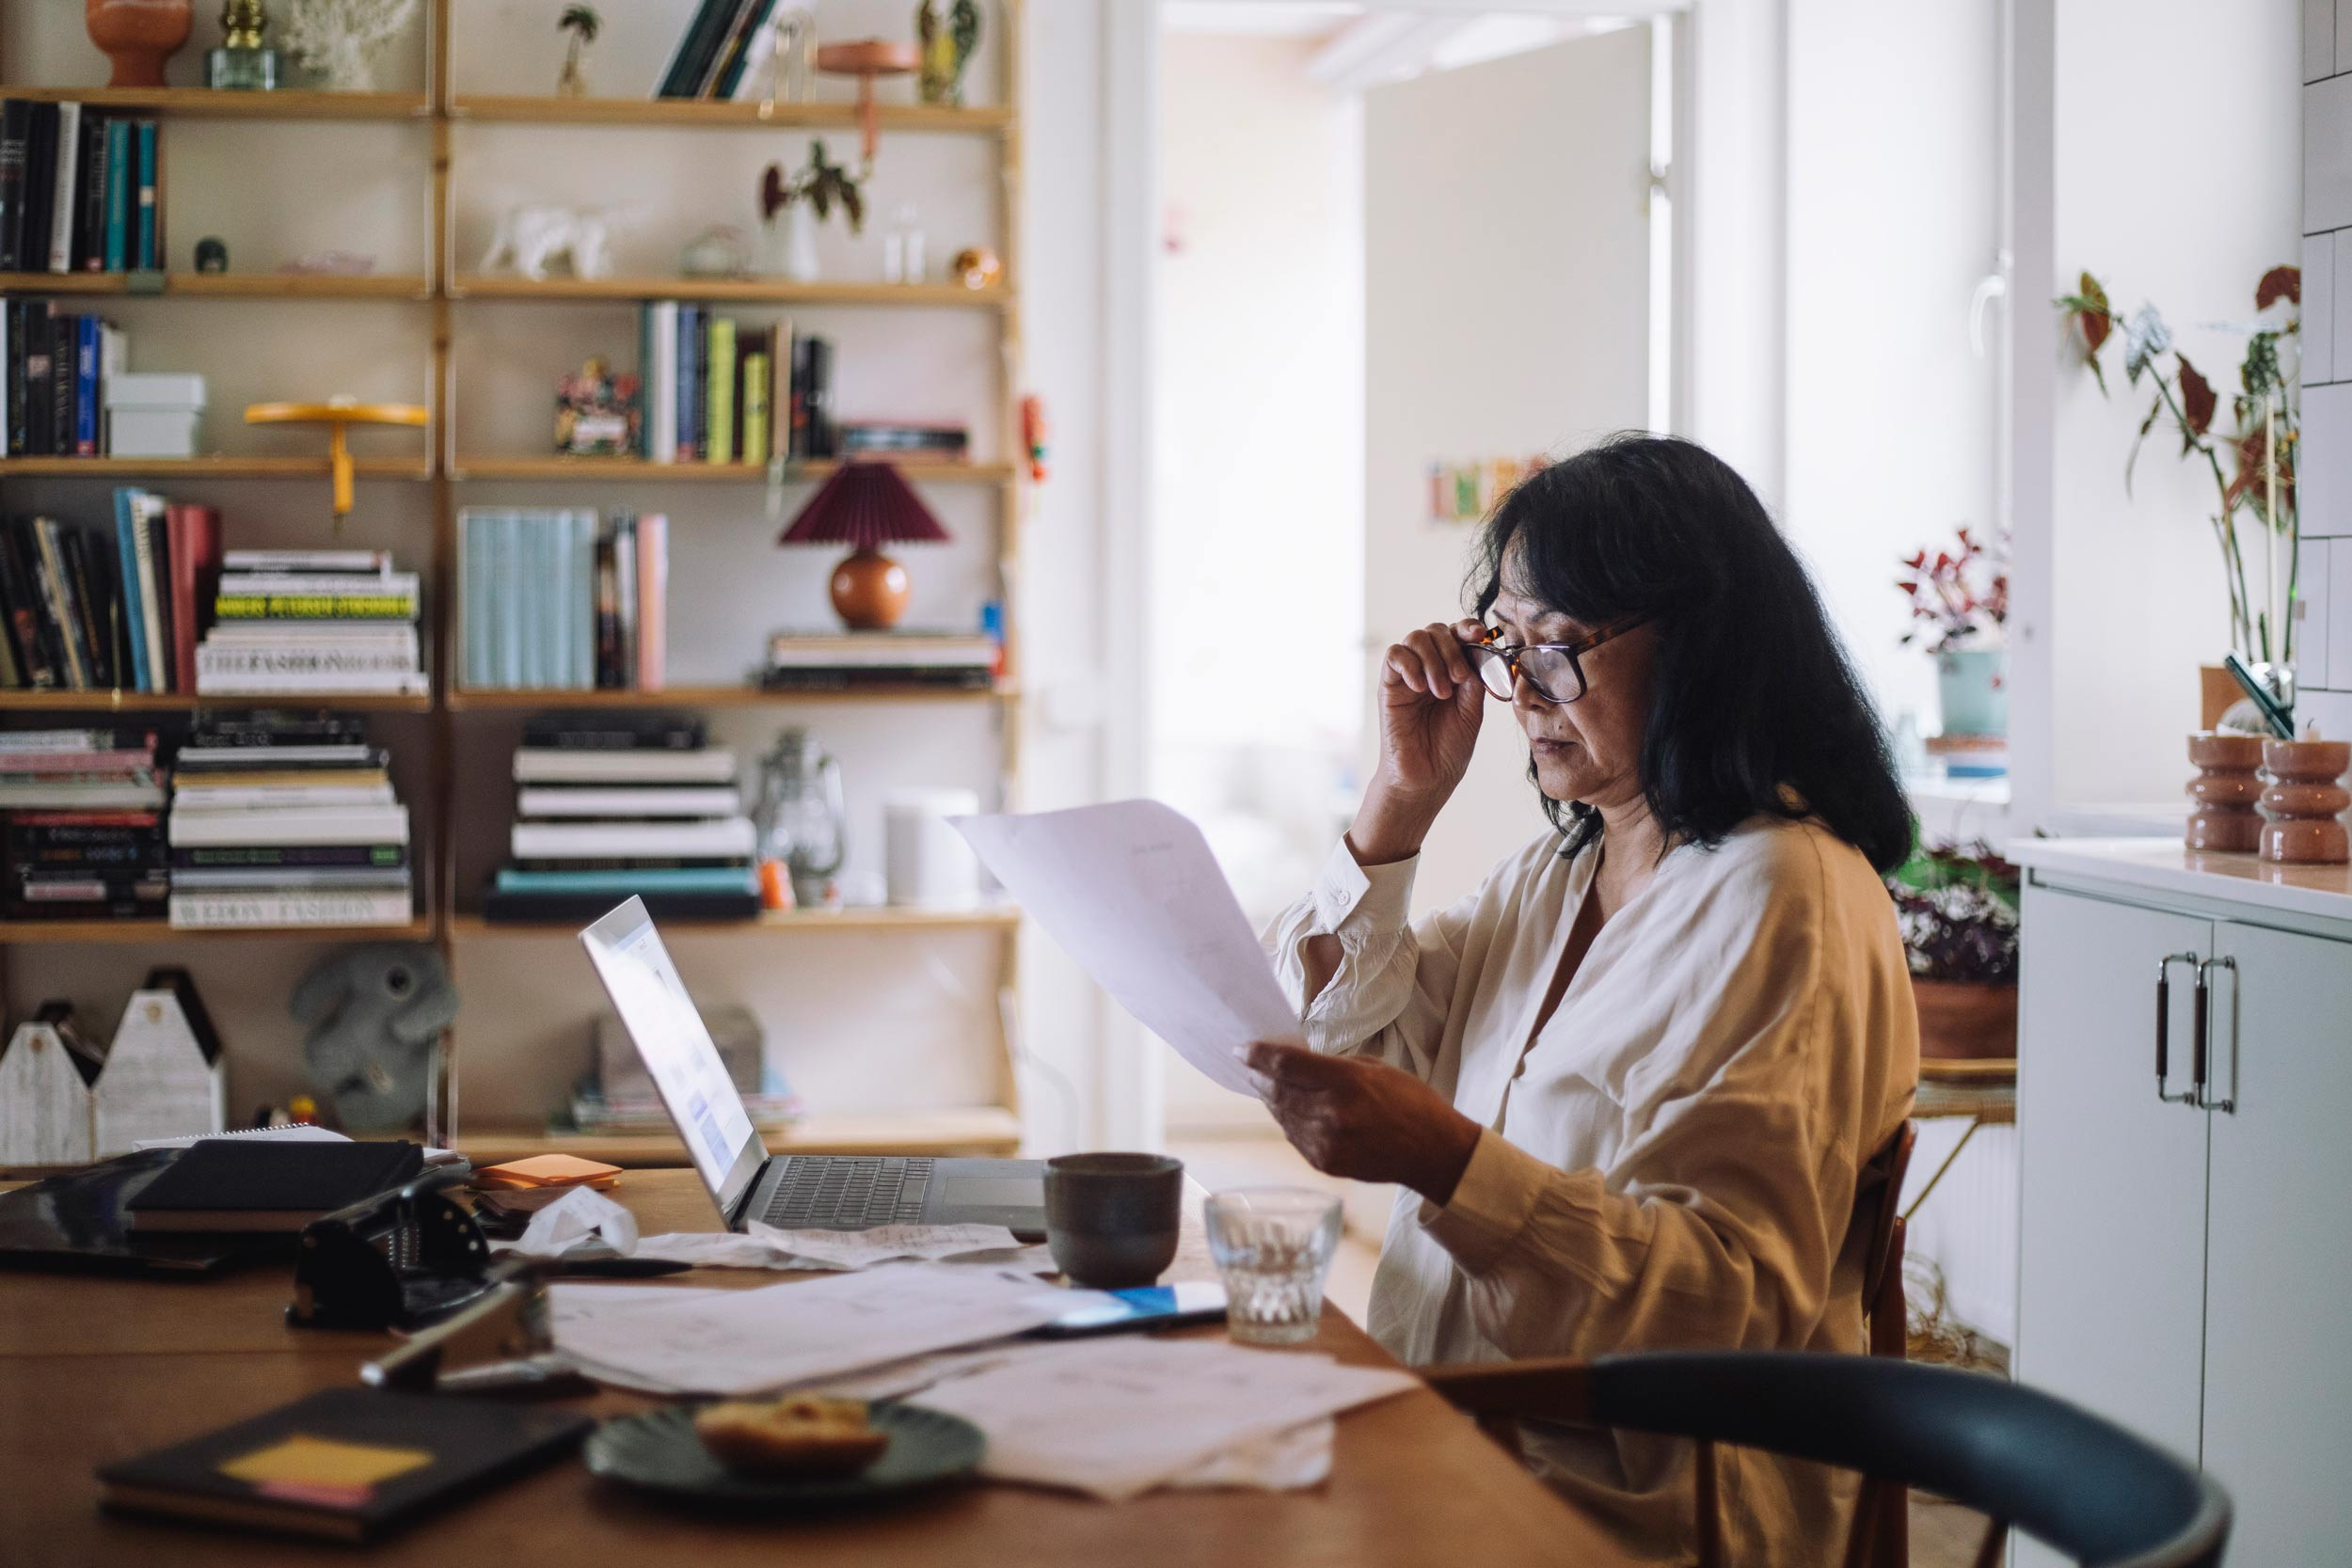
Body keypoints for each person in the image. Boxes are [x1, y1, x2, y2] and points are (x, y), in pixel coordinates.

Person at [1251, 433, 1919, 1563]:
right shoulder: (1563, 871)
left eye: (1557, 646)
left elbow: (1726, 1307)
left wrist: (1450, 1160)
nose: (1523, 693)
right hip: (1466, 1436)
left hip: (1633, 1508)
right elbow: (1337, 1033)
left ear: (1702, 642)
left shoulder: (1782, 894)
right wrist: (1398, 801)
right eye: (1505, 646)